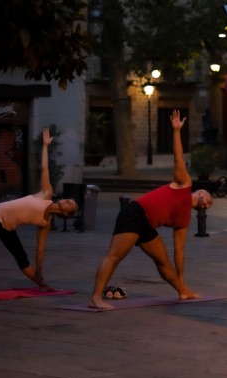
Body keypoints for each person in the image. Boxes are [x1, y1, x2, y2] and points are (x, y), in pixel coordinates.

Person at [89, 109, 213, 309]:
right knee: (114, 256)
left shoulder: (184, 220)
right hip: (134, 214)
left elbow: (179, 251)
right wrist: (176, 131)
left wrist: (182, 278)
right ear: (197, 192)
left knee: (163, 261)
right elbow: (178, 158)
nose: (206, 203)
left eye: (208, 204)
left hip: (147, 225)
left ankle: (182, 291)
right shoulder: (184, 184)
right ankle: (96, 297)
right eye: (206, 198)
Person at [0, 127, 79, 298]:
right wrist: (44, 146)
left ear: (66, 214)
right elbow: (45, 168)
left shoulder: (45, 224)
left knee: (22, 258)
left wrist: (40, 270)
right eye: (69, 200)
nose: (67, 200)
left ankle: (41, 285)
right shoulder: (46, 194)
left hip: (8, 226)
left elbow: (40, 250)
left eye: (70, 205)